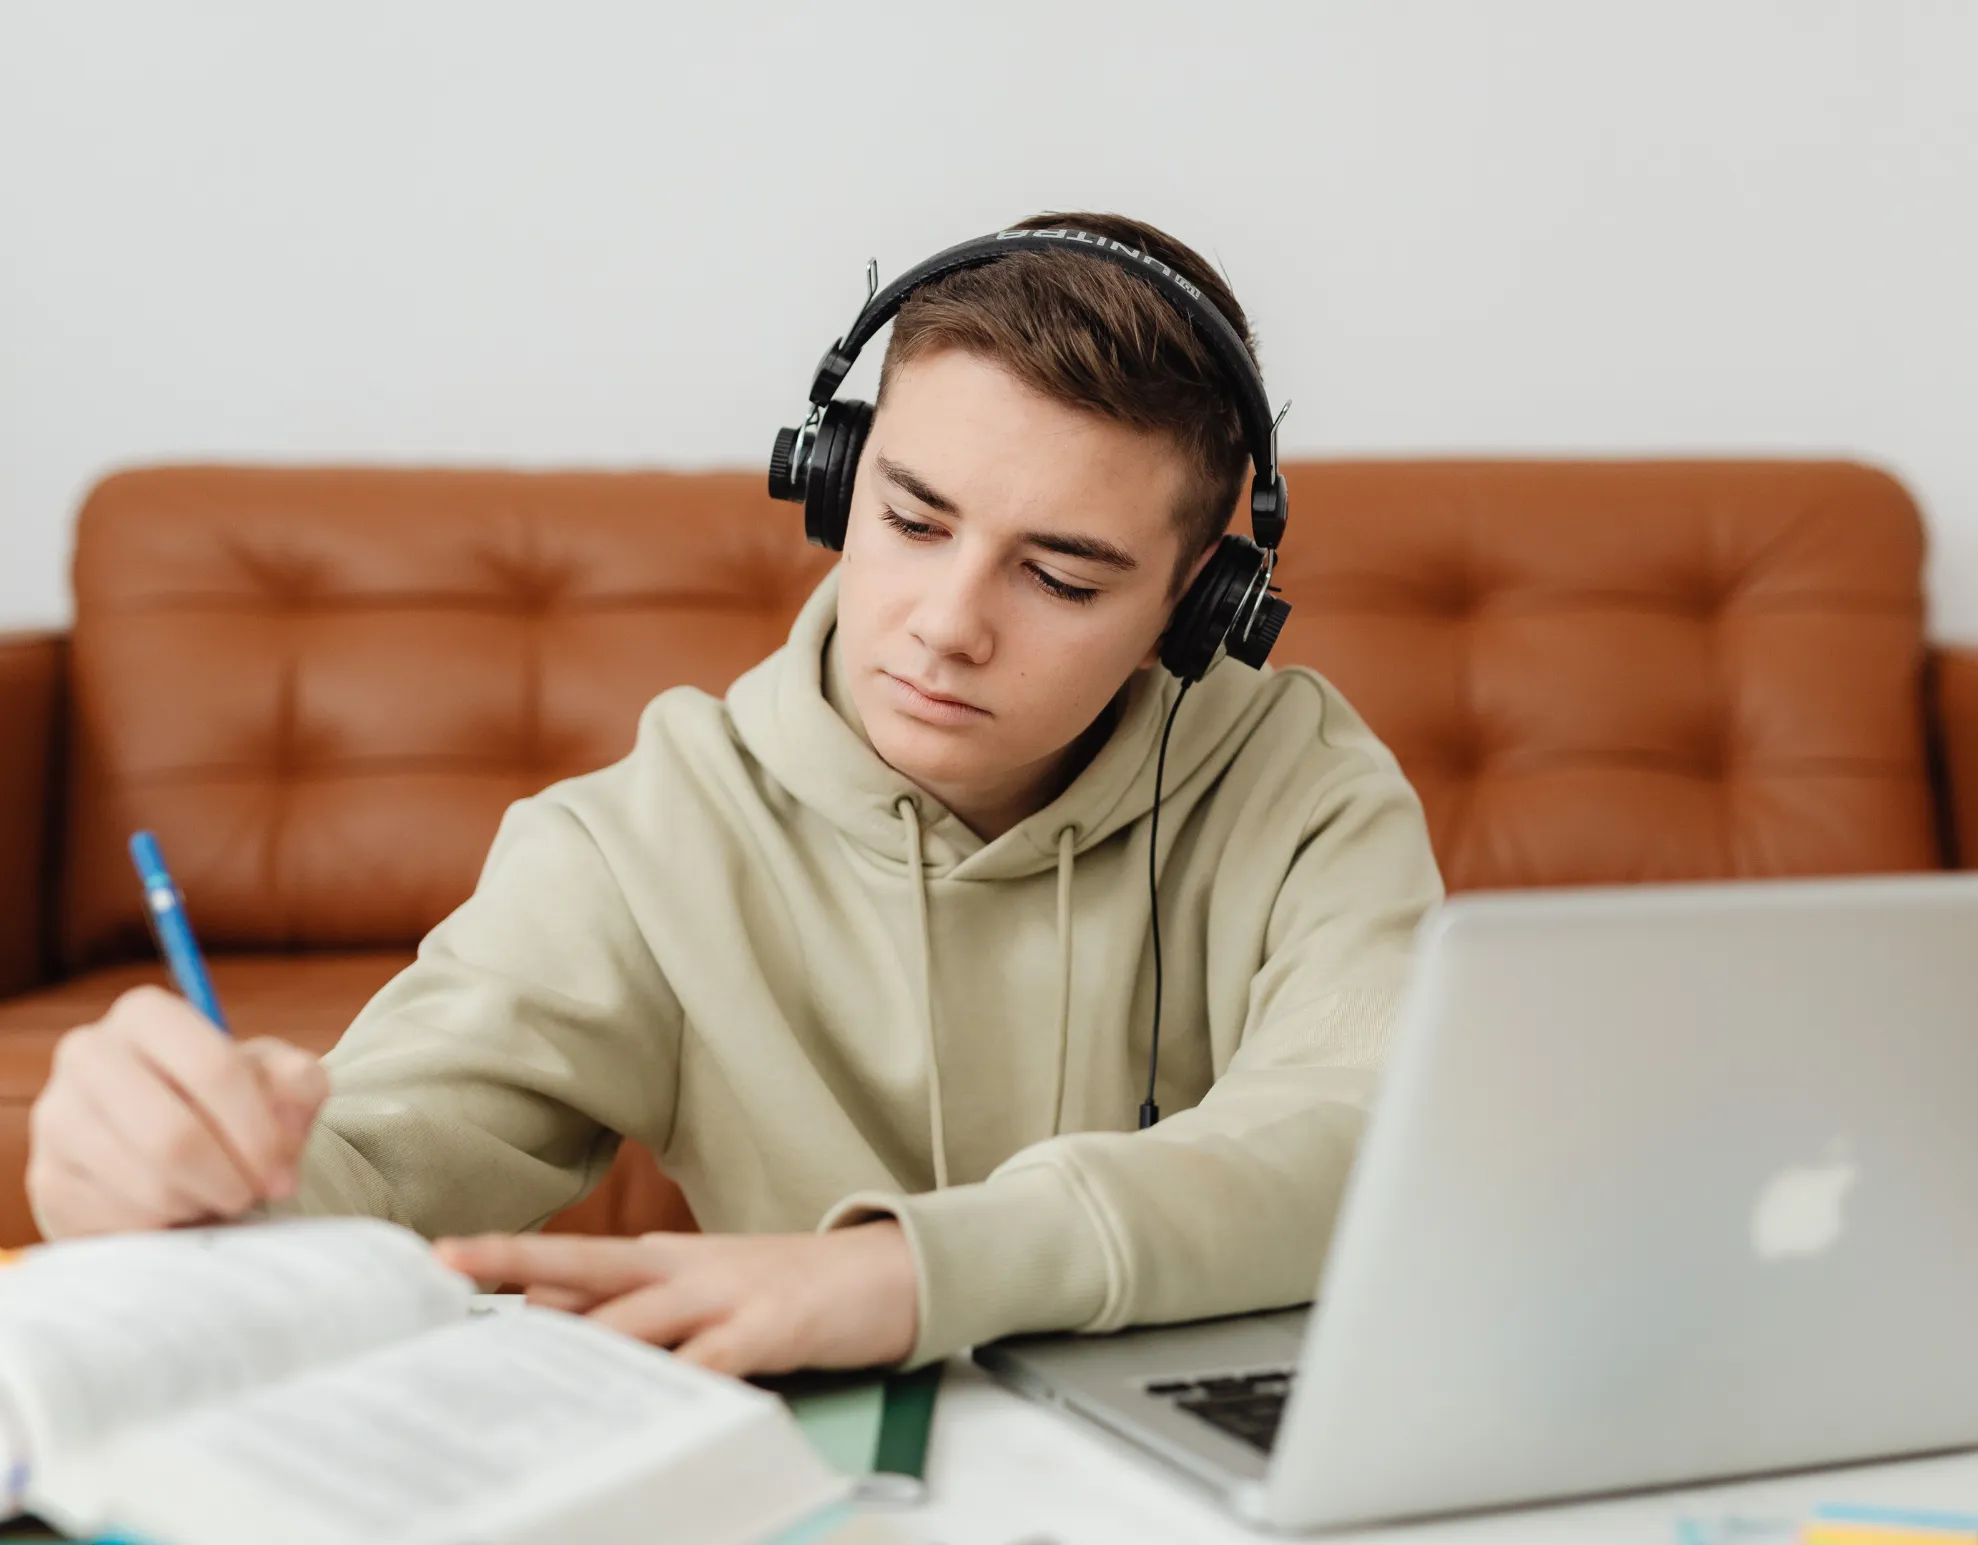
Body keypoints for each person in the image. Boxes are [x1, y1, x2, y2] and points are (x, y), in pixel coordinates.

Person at [26, 211, 1444, 1377]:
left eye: (1062, 577)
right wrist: (186, 1182)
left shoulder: (1306, 787)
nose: (947, 624)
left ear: (1197, 609)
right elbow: (373, 1168)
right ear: (832, 484)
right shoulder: (642, 841)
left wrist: (905, 1275)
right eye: (911, 518)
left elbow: (1370, 1130)